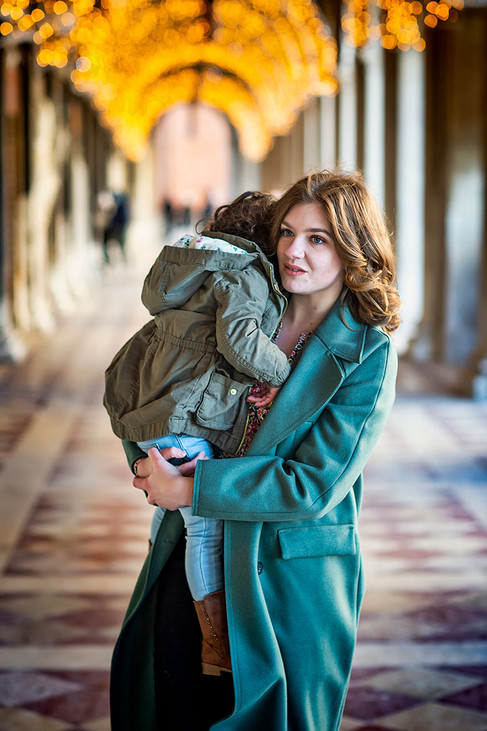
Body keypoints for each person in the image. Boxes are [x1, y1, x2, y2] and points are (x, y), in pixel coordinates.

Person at [109, 169, 401, 731]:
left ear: (353, 250)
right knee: (173, 707)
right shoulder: (246, 308)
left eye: (318, 239)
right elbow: (162, 392)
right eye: (288, 232)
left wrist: (194, 487)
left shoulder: (369, 352)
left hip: (285, 575)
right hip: (190, 555)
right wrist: (156, 465)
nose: (295, 251)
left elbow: (311, 484)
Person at [104, 191, 291, 673]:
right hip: (185, 417)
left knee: (183, 519)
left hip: (156, 406)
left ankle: (208, 626)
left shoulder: (194, 266)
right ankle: (218, 643)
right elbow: (240, 339)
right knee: (204, 530)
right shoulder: (246, 274)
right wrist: (285, 372)